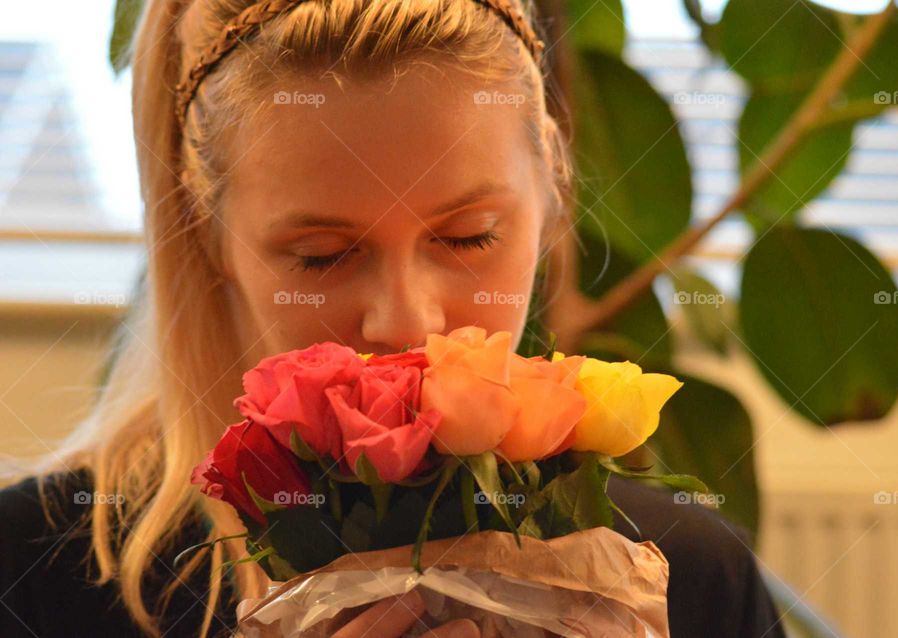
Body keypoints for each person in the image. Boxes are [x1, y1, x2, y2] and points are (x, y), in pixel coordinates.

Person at [0, 0, 787, 635]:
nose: (409, 323)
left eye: (468, 236)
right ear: (207, 237)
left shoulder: (682, 577)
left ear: (550, 198)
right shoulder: (34, 574)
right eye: (321, 254)